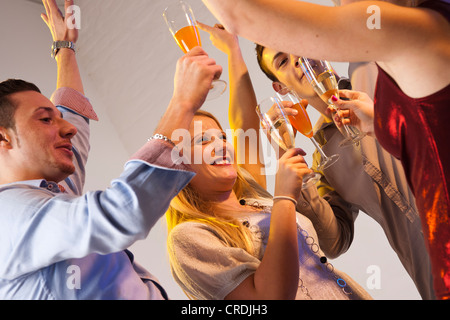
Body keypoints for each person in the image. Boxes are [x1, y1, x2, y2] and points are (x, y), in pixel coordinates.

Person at [202, 0, 450, 300]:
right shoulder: (323, 158)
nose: (297, 59)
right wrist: (294, 172)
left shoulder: (380, 72)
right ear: (280, 88)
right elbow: (335, 241)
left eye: (296, 44)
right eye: (281, 60)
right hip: (435, 276)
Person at [0, 0, 221, 299]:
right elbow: (121, 212)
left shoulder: (52, 191)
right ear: (4, 139)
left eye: (57, 118)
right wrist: (182, 103)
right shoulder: (10, 217)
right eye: (44, 119)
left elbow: (72, 111)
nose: (69, 128)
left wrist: (65, 46)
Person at [166, 109, 372, 300]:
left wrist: (282, 143)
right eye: (202, 141)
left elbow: (329, 241)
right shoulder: (187, 236)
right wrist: (283, 197)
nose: (221, 145)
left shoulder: (257, 201)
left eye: (223, 137)